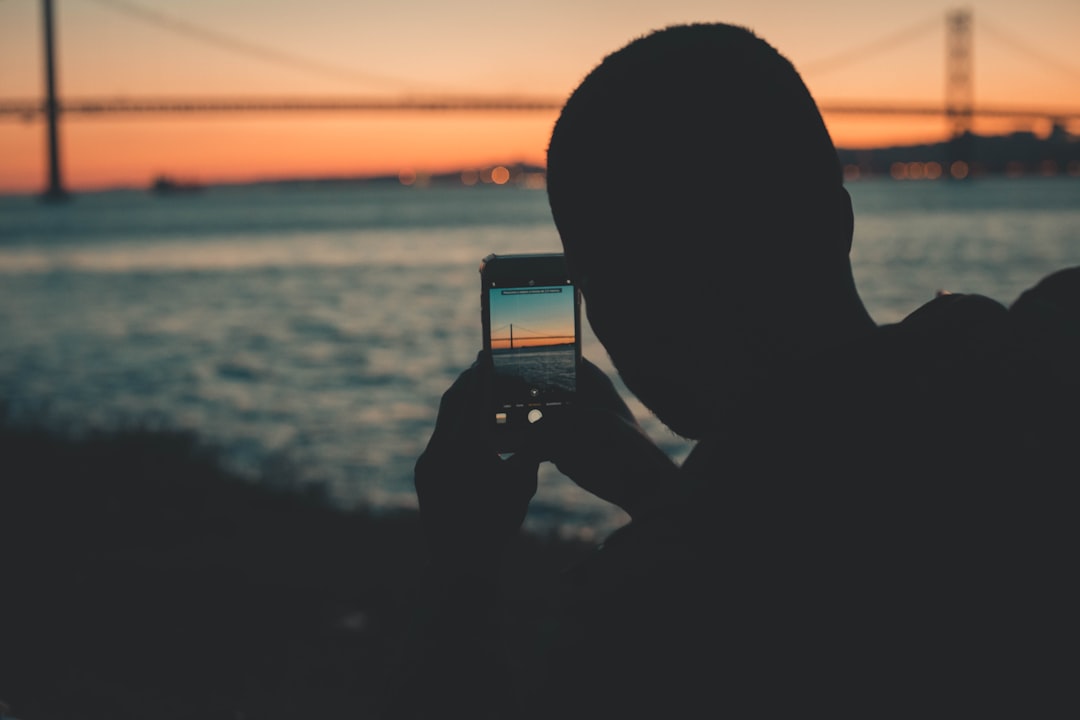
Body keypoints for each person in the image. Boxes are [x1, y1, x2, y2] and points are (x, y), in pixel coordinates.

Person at [381, 22, 1079, 719]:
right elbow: (830, 535)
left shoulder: (637, 627)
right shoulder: (1046, 355)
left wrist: (459, 569)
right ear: (839, 221)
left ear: (605, 303)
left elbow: (765, 568)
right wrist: (661, 490)